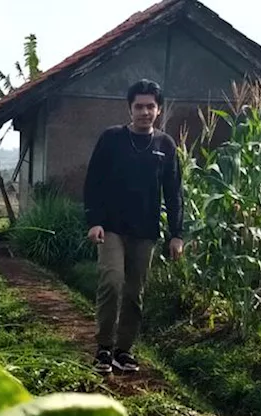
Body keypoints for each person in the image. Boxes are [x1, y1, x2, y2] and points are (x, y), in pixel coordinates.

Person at [82, 78, 184, 376]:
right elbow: (93, 182)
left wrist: (176, 233)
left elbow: (174, 192)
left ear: (158, 109)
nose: (144, 112)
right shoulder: (111, 139)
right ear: (129, 108)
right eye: (139, 106)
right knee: (112, 282)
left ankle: (123, 351)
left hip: (145, 232)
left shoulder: (165, 145)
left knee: (134, 293)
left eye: (150, 106)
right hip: (111, 228)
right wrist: (94, 221)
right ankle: (103, 347)